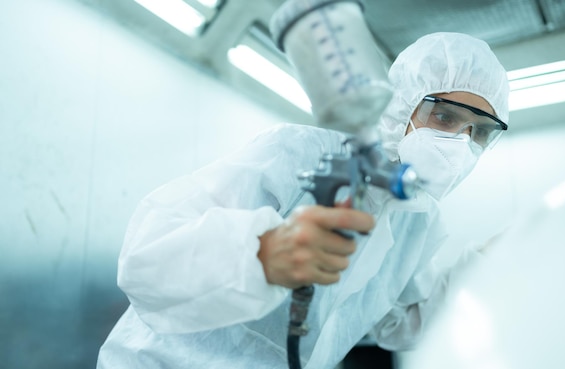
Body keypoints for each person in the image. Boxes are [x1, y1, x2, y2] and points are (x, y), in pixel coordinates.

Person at [96, 32, 510, 369]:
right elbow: (147, 256)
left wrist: (496, 260)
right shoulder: (299, 153)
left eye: (480, 132)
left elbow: (401, 323)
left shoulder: (418, 219)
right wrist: (262, 255)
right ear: (402, 104)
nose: (460, 143)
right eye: (445, 117)